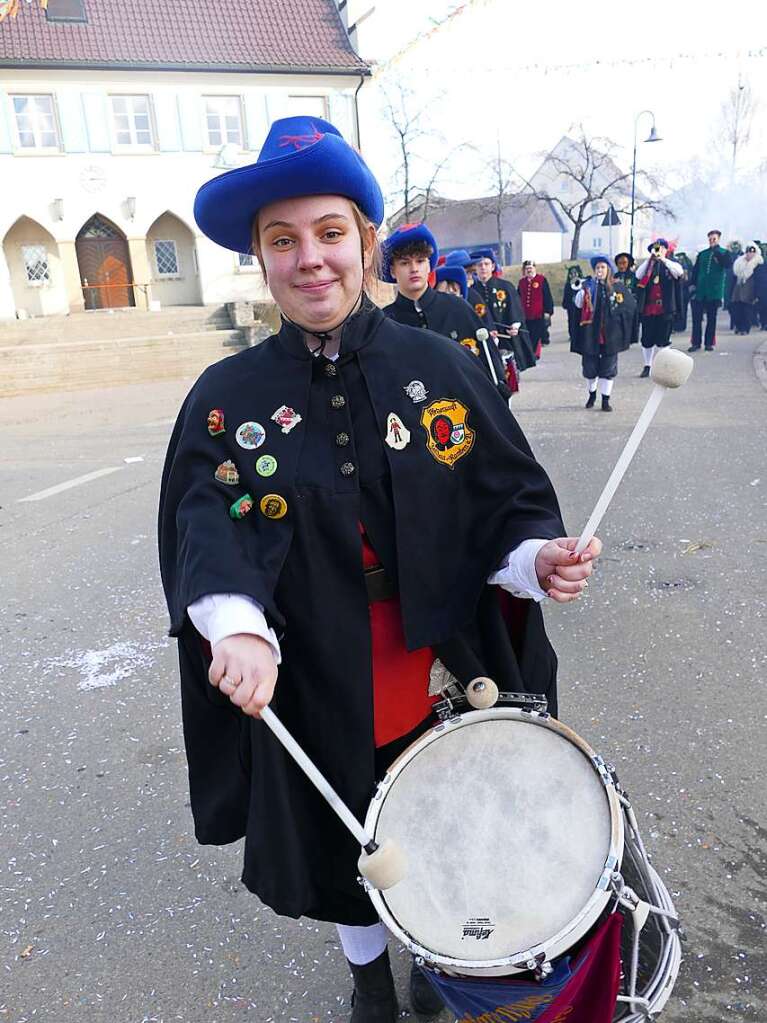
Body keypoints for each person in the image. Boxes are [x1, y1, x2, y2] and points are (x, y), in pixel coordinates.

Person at [158, 114, 602, 1023]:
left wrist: (534, 558)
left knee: (451, 817)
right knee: (343, 834)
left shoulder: (437, 364)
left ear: (364, 242)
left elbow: (500, 495)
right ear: (261, 256)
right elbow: (209, 520)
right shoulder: (225, 400)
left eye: (330, 234)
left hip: (436, 655)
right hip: (314, 665)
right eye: (283, 241)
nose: (309, 259)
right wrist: (235, 624)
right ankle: (367, 970)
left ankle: (437, 952)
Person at [381, 223, 510, 402]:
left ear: (429, 266)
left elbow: (490, 366)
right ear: (393, 271)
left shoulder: (459, 309)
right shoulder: (383, 323)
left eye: (420, 261)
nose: (414, 269)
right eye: (404, 263)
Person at [571, 255, 636, 411]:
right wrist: (583, 290)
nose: (600, 270)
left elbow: (629, 306)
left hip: (611, 335)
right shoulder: (588, 286)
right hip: (590, 334)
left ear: (608, 270)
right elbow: (578, 305)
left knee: (608, 369)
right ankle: (592, 394)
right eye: (597, 268)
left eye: (603, 268)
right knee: (590, 369)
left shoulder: (617, 286)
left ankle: (605, 400)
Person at [471, 247, 537, 373]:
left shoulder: (506, 286)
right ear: (475, 268)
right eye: (480, 265)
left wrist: (515, 325)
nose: (483, 267)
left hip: (506, 339)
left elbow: (516, 309)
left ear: (493, 266)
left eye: (486, 264)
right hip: (482, 340)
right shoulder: (471, 291)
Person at [635, 238, 684, 376]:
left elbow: (679, 272)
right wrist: (650, 259)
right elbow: (638, 275)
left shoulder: (671, 264)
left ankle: (663, 366)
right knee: (647, 339)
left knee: (663, 339)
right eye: (656, 248)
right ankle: (647, 365)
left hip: (665, 308)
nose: (658, 251)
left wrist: (663, 259)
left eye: (661, 248)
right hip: (649, 308)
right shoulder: (648, 265)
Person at [689, 229, 732, 351]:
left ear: (718, 239)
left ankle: (709, 343)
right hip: (700, 291)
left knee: (711, 318)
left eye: (714, 239)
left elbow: (728, 265)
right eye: (710, 239)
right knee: (696, 319)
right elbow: (696, 271)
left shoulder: (724, 253)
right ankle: (696, 343)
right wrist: (692, 285)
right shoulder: (702, 254)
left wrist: (718, 253)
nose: (712, 241)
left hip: (714, 291)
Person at [443, 248, 495, 331]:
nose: (470, 277)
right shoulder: (440, 297)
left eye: (471, 272)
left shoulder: (473, 295)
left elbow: (486, 321)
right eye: (466, 273)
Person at [518, 260, 554, 358]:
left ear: (534, 268)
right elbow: (518, 297)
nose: (529, 270)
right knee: (527, 334)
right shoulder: (522, 282)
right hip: (525, 314)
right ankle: (530, 353)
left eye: (531, 268)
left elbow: (547, 296)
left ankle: (534, 353)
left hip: (538, 313)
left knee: (536, 334)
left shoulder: (541, 280)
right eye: (527, 268)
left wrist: (548, 311)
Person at [731, 242, 764, 334]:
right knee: (737, 309)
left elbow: (760, 280)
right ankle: (738, 326)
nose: (750, 254)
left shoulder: (758, 264)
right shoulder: (739, 263)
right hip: (738, 288)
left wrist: (758, 294)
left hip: (750, 289)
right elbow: (734, 277)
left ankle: (745, 328)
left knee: (747, 311)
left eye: (752, 252)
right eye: (748, 252)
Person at [562, 264, 585, 346]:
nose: (574, 274)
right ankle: (572, 335)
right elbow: (566, 295)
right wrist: (565, 304)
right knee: (571, 321)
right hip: (571, 306)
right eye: (572, 273)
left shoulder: (583, 282)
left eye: (575, 273)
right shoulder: (568, 284)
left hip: (581, 305)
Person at [672, 250, 694, 333]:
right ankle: (681, 326)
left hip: (681, 289)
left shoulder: (681, 263)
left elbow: (685, 277)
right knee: (683, 308)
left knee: (679, 308)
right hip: (685, 289)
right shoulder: (688, 262)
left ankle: (677, 326)